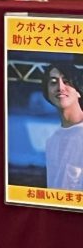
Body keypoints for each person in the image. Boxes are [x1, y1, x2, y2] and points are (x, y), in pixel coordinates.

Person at [42, 61, 83, 191]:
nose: (60, 87)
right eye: (53, 82)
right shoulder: (52, 141)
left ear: (79, 91)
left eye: (66, 81)